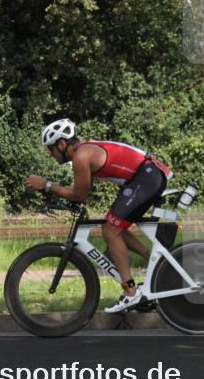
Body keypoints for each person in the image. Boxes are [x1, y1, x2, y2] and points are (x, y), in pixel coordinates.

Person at [25, 118, 172, 313]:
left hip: (145, 178)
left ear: (61, 144)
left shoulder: (81, 157)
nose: (50, 154)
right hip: (145, 176)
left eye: (50, 149)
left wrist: (47, 185)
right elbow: (81, 193)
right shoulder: (85, 151)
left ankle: (130, 293)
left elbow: (79, 194)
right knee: (111, 225)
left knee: (111, 231)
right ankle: (156, 260)